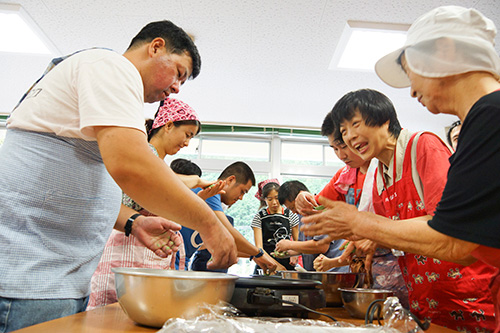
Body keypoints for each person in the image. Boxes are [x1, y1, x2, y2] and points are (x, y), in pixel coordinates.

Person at [0, 20, 238, 331]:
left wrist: (132, 222)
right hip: (30, 277)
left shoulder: (101, 80)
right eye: (179, 72)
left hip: (51, 276)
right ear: (156, 47)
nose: (177, 87)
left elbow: (71, 180)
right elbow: (132, 167)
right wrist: (209, 224)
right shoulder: (110, 66)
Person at [302, 87, 497, 330]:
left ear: (384, 119)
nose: (350, 137)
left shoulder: (423, 146)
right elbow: (389, 233)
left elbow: (452, 227)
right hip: (423, 294)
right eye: (344, 132)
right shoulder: (379, 175)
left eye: (355, 124)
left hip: (464, 292)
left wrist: (363, 225)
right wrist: (357, 234)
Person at [88, 98, 201, 310]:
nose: (187, 143)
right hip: (126, 245)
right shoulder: (145, 153)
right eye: (187, 135)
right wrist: (194, 183)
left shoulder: (157, 160)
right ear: (168, 126)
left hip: (139, 247)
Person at [182, 162, 283, 273]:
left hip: (181, 260)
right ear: (230, 180)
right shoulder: (211, 193)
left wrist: (254, 256)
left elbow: (225, 243)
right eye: (242, 191)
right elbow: (229, 233)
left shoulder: (214, 201)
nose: (241, 198)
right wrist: (259, 254)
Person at [251, 182, 300, 272]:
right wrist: (273, 264)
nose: (274, 203)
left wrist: (294, 255)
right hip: (266, 262)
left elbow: (298, 242)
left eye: (277, 198)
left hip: (287, 262)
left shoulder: (291, 214)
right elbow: (259, 248)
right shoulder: (259, 217)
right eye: (270, 199)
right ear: (264, 199)